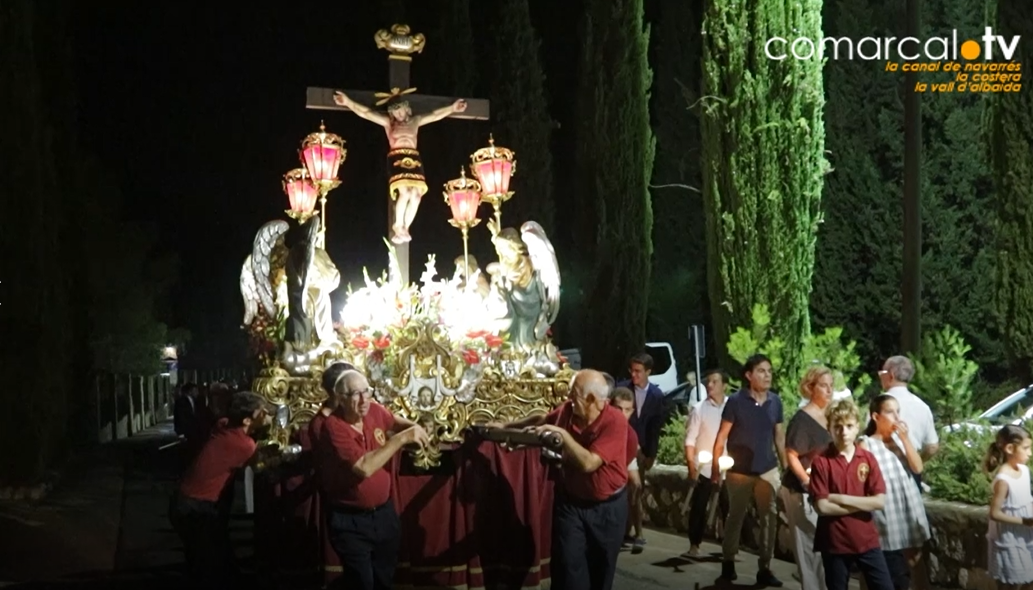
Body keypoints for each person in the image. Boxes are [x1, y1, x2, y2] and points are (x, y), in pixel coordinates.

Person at [501, 369, 629, 590]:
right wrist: (509, 429)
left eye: (574, 394)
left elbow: (589, 463)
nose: (568, 398)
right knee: (568, 570)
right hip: (571, 505)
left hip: (608, 509)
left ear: (591, 399)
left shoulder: (614, 421)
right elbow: (543, 421)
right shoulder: (568, 411)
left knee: (601, 572)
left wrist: (564, 436)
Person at [316, 369, 430, 590]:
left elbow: (394, 421)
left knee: (384, 580)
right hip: (351, 521)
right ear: (340, 398)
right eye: (355, 394)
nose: (363, 400)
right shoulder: (333, 427)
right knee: (362, 583)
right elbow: (364, 468)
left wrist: (414, 427)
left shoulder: (374, 410)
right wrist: (402, 439)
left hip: (384, 515)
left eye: (366, 392)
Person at [333, 90, 468, 244]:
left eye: (399, 109)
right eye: (394, 111)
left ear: (406, 108)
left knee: (416, 195)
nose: (397, 114)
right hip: (396, 158)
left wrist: (452, 108)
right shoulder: (389, 123)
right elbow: (366, 113)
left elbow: (435, 115)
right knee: (405, 192)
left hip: (414, 157)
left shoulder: (415, 121)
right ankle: (398, 225)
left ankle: (405, 227)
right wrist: (348, 102)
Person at [170, 391, 266, 589]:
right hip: (196, 508)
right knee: (210, 569)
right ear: (248, 420)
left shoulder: (223, 424)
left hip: (184, 501)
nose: (267, 414)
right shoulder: (244, 445)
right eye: (262, 412)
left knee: (208, 560)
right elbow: (260, 466)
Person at [711, 354, 785, 586]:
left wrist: (785, 468)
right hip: (740, 471)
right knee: (736, 516)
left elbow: (779, 437)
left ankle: (765, 567)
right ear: (749, 375)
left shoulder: (776, 401)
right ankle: (728, 563)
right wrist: (716, 467)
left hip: (768, 469)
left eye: (769, 371)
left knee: (769, 518)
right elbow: (722, 436)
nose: (767, 375)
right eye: (762, 371)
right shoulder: (736, 401)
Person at [810, 399, 894, 590]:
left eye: (849, 426)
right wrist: (863, 503)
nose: (844, 432)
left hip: (866, 539)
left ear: (857, 427)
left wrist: (839, 498)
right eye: (838, 426)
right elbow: (822, 507)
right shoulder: (822, 462)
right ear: (829, 428)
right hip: (835, 542)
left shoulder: (867, 458)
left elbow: (879, 501)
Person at [858, 394, 931, 589]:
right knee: (875, 558)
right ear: (876, 416)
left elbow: (917, 467)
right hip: (885, 506)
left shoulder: (900, 440)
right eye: (890, 412)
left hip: (907, 503)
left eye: (898, 412)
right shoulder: (867, 444)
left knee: (915, 556)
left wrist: (906, 440)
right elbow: (861, 479)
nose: (897, 417)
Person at [780, 365, 835, 590]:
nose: (829, 391)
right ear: (810, 388)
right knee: (809, 548)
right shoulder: (803, 420)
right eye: (824, 386)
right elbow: (792, 454)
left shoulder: (828, 415)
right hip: (803, 491)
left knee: (824, 549)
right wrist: (806, 481)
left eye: (831, 386)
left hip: (825, 489)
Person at [616, 353, 664, 549]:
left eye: (638, 371)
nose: (634, 375)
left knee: (636, 489)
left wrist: (651, 454)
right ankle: (625, 531)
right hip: (621, 446)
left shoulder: (657, 396)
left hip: (641, 451)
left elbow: (656, 428)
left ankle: (637, 531)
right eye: (632, 370)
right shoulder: (621, 390)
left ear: (648, 372)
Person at [683, 368, 730, 557]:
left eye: (714, 382)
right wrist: (691, 465)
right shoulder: (699, 408)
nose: (709, 385)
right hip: (704, 467)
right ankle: (694, 545)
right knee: (699, 507)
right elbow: (690, 439)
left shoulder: (731, 407)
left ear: (724, 386)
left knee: (728, 507)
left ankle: (730, 546)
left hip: (726, 467)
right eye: (708, 382)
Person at [984, 424, 1033, 589]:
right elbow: (995, 513)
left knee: (1029, 579)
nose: (1030, 453)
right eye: (1026, 448)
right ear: (1010, 448)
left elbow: (1026, 499)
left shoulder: (1024, 471)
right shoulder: (1004, 480)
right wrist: (1024, 521)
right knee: (1010, 583)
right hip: (1009, 537)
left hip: (1026, 535)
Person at [878, 356, 939, 464]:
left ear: (890, 375)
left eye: (882, 372)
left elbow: (867, 439)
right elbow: (932, 447)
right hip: (912, 470)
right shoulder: (923, 407)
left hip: (883, 467)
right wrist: (917, 461)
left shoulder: (879, 403)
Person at [610, 387, 643, 549]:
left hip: (623, 462)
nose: (623, 414)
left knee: (636, 486)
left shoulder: (631, 436)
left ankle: (637, 531)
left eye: (627, 410)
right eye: (618, 409)